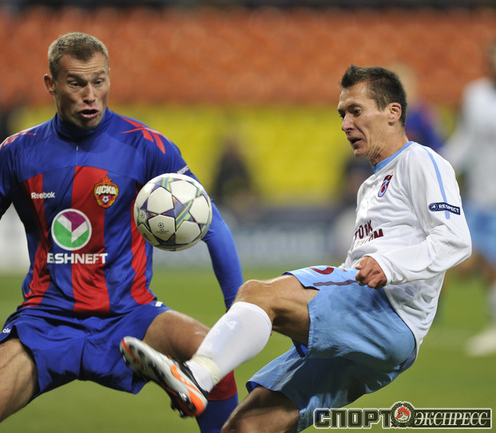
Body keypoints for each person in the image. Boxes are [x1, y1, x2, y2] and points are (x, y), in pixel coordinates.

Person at [120, 64, 472, 432]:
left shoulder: (420, 160)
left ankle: (196, 375)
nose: (345, 124)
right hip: (375, 341)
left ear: (393, 112)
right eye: (342, 114)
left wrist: (389, 266)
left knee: (257, 294)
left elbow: (455, 239)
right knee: (246, 426)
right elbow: (365, 261)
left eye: (355, 111)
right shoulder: (370, 186)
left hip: (386, 313)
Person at [0, 32, 243, 433]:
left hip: (130, 314)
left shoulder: (147, 147)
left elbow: (212, 225)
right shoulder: (16, 153)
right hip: (47, 318)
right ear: (51, 85)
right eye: (76, 83)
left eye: (99, 81)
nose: (90, 95)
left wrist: (237, 313)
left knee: (215, 362)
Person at [443, 39, 496, 357]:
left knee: (490, 267)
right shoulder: (475, 96)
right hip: (478, 198)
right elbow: (465, 140)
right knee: (462, 264)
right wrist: (440, 165)